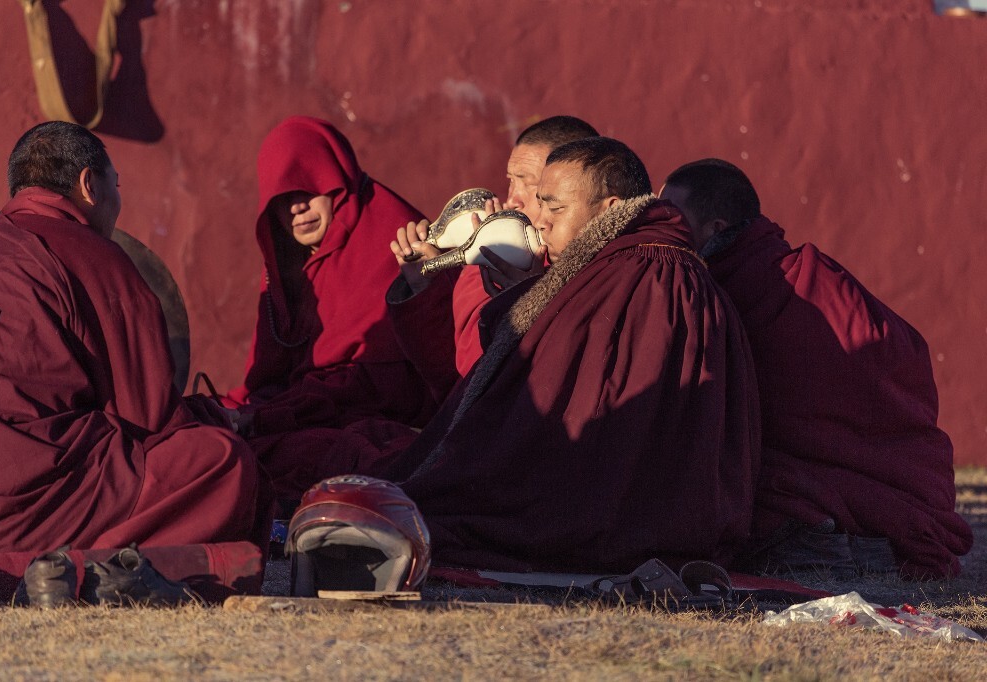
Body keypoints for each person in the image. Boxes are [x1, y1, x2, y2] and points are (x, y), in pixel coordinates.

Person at [384, 138, 761, 573]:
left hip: (612, 518)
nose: (539, 222)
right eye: (539, 205)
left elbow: (558, 431)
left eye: (555, 208)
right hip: (688, 522)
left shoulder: (639, 278)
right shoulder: (653, 268)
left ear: (609, 208)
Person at [0, 121, 269, 555]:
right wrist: (213, 417)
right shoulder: (92, 254)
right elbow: (149, 420)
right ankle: (96, 563)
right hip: (29, 508)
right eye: (116, 184)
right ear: (89, 184)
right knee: (222, 461)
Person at [659, 159, 973, 579]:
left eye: (672, 219)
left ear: (715, 229)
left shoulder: (775, 283)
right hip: (876, 482)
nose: (661, 229)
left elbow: (886, 357)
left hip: (849, 482)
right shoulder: (770, 276)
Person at [224, 116, 438, 512]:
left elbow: (384, 382)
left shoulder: (391, 237)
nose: (297, 208)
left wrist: (265, 419)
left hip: (377, 414)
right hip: (311, 408)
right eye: (282, 199)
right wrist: (241, 413)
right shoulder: (289, 259)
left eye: (308, 190)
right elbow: (268, 372)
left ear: (336, 181)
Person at [387, 116, 600, 388]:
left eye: (530, 184)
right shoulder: (484, 261)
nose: (512, 199)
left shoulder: (596, 266)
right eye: (512, 181)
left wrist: (529, 294)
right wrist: (424, 285)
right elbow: (456, 383)